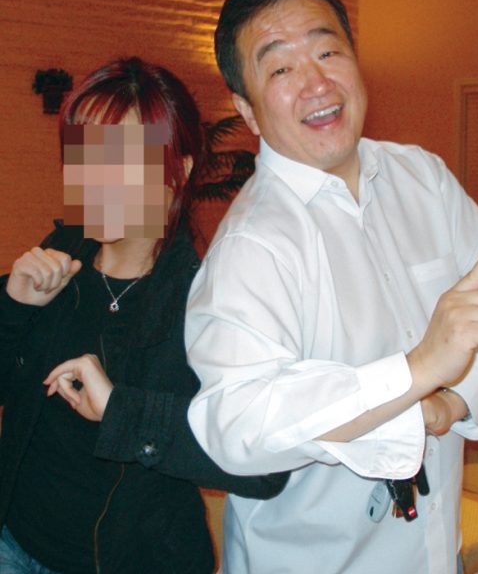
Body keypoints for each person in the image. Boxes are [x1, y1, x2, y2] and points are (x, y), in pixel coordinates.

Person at [185, 0, 478, 573]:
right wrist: (416, 372)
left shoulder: (422, 177)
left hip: (437, 551)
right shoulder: (251, 246)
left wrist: (451, 402)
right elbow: (236, 421)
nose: (316, 82)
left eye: (327, 50)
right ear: (248, 111)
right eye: (280, 68)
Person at [0, 56, 288, 574]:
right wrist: (13, 307)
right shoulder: (58, 258)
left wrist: (123, 413)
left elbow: (263, 469)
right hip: (14, 541)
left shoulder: (208, 301)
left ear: (178, 171)